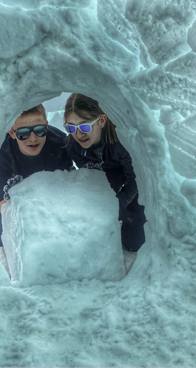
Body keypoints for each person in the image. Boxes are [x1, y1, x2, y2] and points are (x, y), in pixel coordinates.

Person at [62, 93, 146, 274]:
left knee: (133, 244)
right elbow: (87, 178)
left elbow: (136, 179)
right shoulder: (73, 145)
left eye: (84, 126)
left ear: (101, 121)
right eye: (71, 127)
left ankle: (130, 217)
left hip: (128, 186)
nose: (79, 134)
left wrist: (120, 207)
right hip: (104, 184)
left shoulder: (120, 144)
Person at [0, 104, 73, 277]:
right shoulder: (4, 147)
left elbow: (70, 176)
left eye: (39, 130)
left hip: (44, 188)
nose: (32, 138)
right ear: (12, 133)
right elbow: (0, 179)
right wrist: (5, 208)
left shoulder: (60, 142)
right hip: (11, 188)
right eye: (23, 133)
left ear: (47, 126)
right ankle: (3, 265)